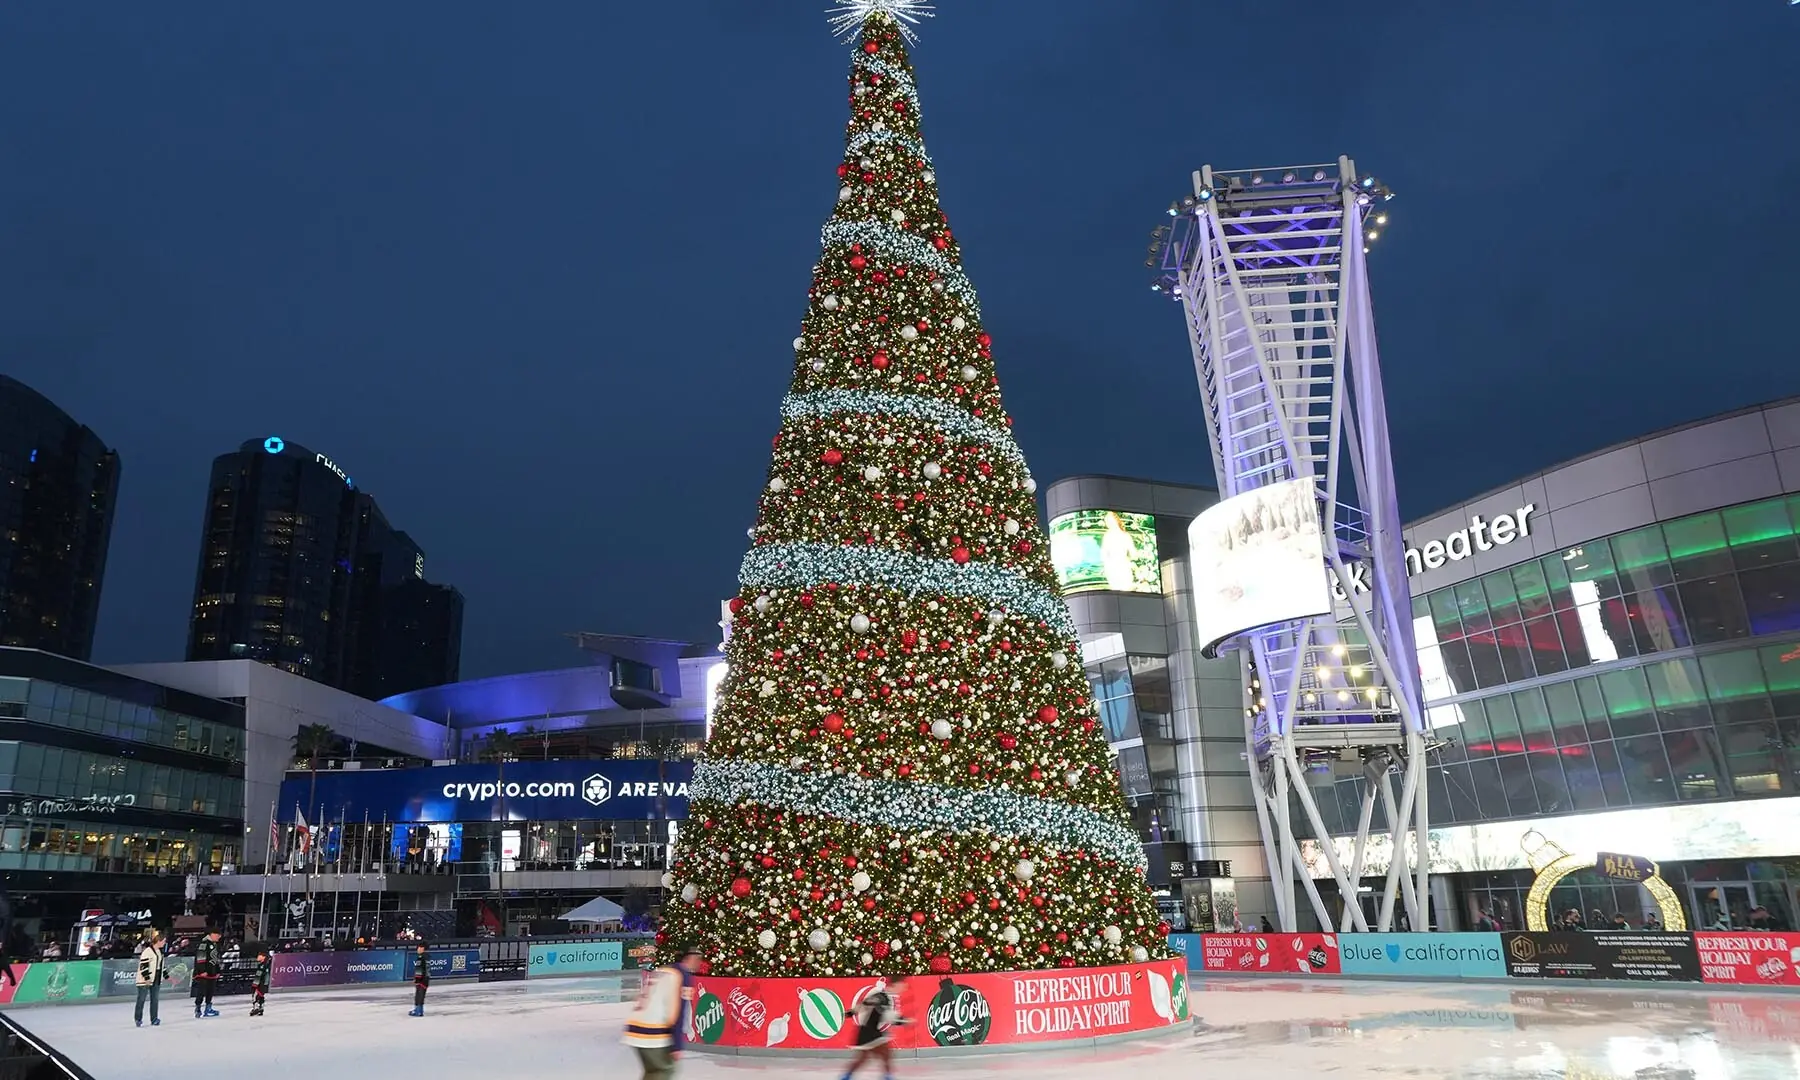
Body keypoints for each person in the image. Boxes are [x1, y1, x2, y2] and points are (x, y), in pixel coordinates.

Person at [622, 949, 702, 1079]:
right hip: (651, 1031)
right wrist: (677, 1045)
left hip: (634, 1027)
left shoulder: (664, 971)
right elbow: (679, 1011)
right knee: (665, 1070)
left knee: (653, 1072)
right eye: (698, 959)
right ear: (690, 958)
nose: (699, 964)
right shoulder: (683, 976)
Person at [840, 976, 910, 1080]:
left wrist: (851, 1012)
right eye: (902, 985)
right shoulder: (885, 997)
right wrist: (903, 1021)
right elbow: (887, 1015)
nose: (904, 988)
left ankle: (847, 1076)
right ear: (896, 985)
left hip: (871, 1032)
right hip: (870, 1033)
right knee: (883, 1054)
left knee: (868, 1057)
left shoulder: (881, 995)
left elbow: (864, 1005)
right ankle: (888, 1077)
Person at [135, 929, 166, 1027]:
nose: (164, 943)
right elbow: (143, 966)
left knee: (155, 1000)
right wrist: (147, 978)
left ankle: (154, 1019)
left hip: (156, 979)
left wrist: (166, 975)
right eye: (164, 941)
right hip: (145, 980)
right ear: (159, 941)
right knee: (141, 999)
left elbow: (160, 966)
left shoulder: (159, 952)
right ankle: (138, 1018)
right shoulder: (147, 951)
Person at [192, 929, 222, 1017]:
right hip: (204, 973)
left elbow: (215, 959)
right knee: (201, 990)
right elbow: (200, 958)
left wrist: (217, 970)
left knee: (210, 990)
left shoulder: (214, 944)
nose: (219, 937)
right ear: (212, 934)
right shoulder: (204, 944)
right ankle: (198, 1008)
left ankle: (208, 1008)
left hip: (212, 972)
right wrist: (202, 971)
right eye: (218, 935)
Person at [249, 948, 272, 1017]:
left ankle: (256, 1008)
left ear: (263, 957)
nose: (258, 957)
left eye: (259, 955)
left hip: (260, 984)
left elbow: (258, 976)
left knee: (256, 995)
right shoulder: (266, 965)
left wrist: (254, 985)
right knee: (261, 996)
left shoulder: (261, 966)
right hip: (264, 984)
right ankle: (261, 1008)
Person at [409, 943, 430, 1016]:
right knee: (421, 994)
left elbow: (419, 969)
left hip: (421, 979)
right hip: (426, 979)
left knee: (419, 994)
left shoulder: (420, 958)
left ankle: (418, 1010)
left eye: (418, 948)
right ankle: (419, 1009)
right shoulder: (427, 957)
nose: (417, 949)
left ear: (422, 948)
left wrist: (417, 979)